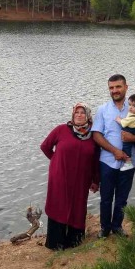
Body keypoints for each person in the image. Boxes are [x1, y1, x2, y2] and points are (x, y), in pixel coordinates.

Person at [40, 103, 100, 250]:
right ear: (73, 115)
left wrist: (95, 180)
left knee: (78, 206)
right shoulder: (61, 130)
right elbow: (45, 146)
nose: (79, 115)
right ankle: (55, 243)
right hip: (60, 177)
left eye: (82, 113)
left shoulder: (93, 135)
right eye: (76, 113)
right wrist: (55, 161)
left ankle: (74, 241)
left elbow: (95, 160)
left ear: (88, 116)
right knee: (58, 205)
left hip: (81, 179)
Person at [92, 74, 135, 238]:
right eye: (111, 88)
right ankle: (104, 228)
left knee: (122, 198)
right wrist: (115, 151)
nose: (115, 90)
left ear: (126, 87)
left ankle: (117, 226)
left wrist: (134, 139)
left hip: (129, 161)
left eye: (118, 87)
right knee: (106, 198)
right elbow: (96, 135)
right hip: (107, 161)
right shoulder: (103, 109)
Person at [115, 93, 135, 171]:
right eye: (130, 105)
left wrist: (118, 119)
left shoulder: (133, 117)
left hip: (131, 131)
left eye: (134, 106)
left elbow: (124, 123)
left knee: (126, 145)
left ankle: (128, 162)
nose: (130, 108)